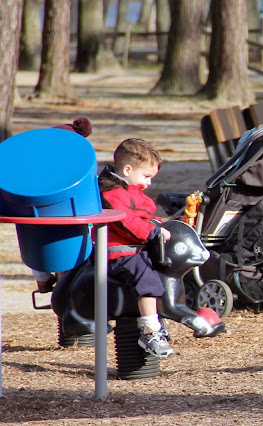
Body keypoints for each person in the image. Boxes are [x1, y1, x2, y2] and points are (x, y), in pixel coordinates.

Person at [96, 138, 174, 358]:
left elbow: (144, 216)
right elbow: (124, 222)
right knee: (147, 279)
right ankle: (150, 332)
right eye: (146, 176)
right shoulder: (112, 193)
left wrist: (163, 224)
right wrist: (151, 232)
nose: (148, 183)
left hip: (134, 248)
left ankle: (158, 321)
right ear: (128, 169)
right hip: (120, 251)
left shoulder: (129, 191)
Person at [33, 117, 93, 293]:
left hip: (39, 238)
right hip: (76, 234)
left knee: (33, 235)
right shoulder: (81, 177)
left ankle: (42, 280)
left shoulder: (36, 179)